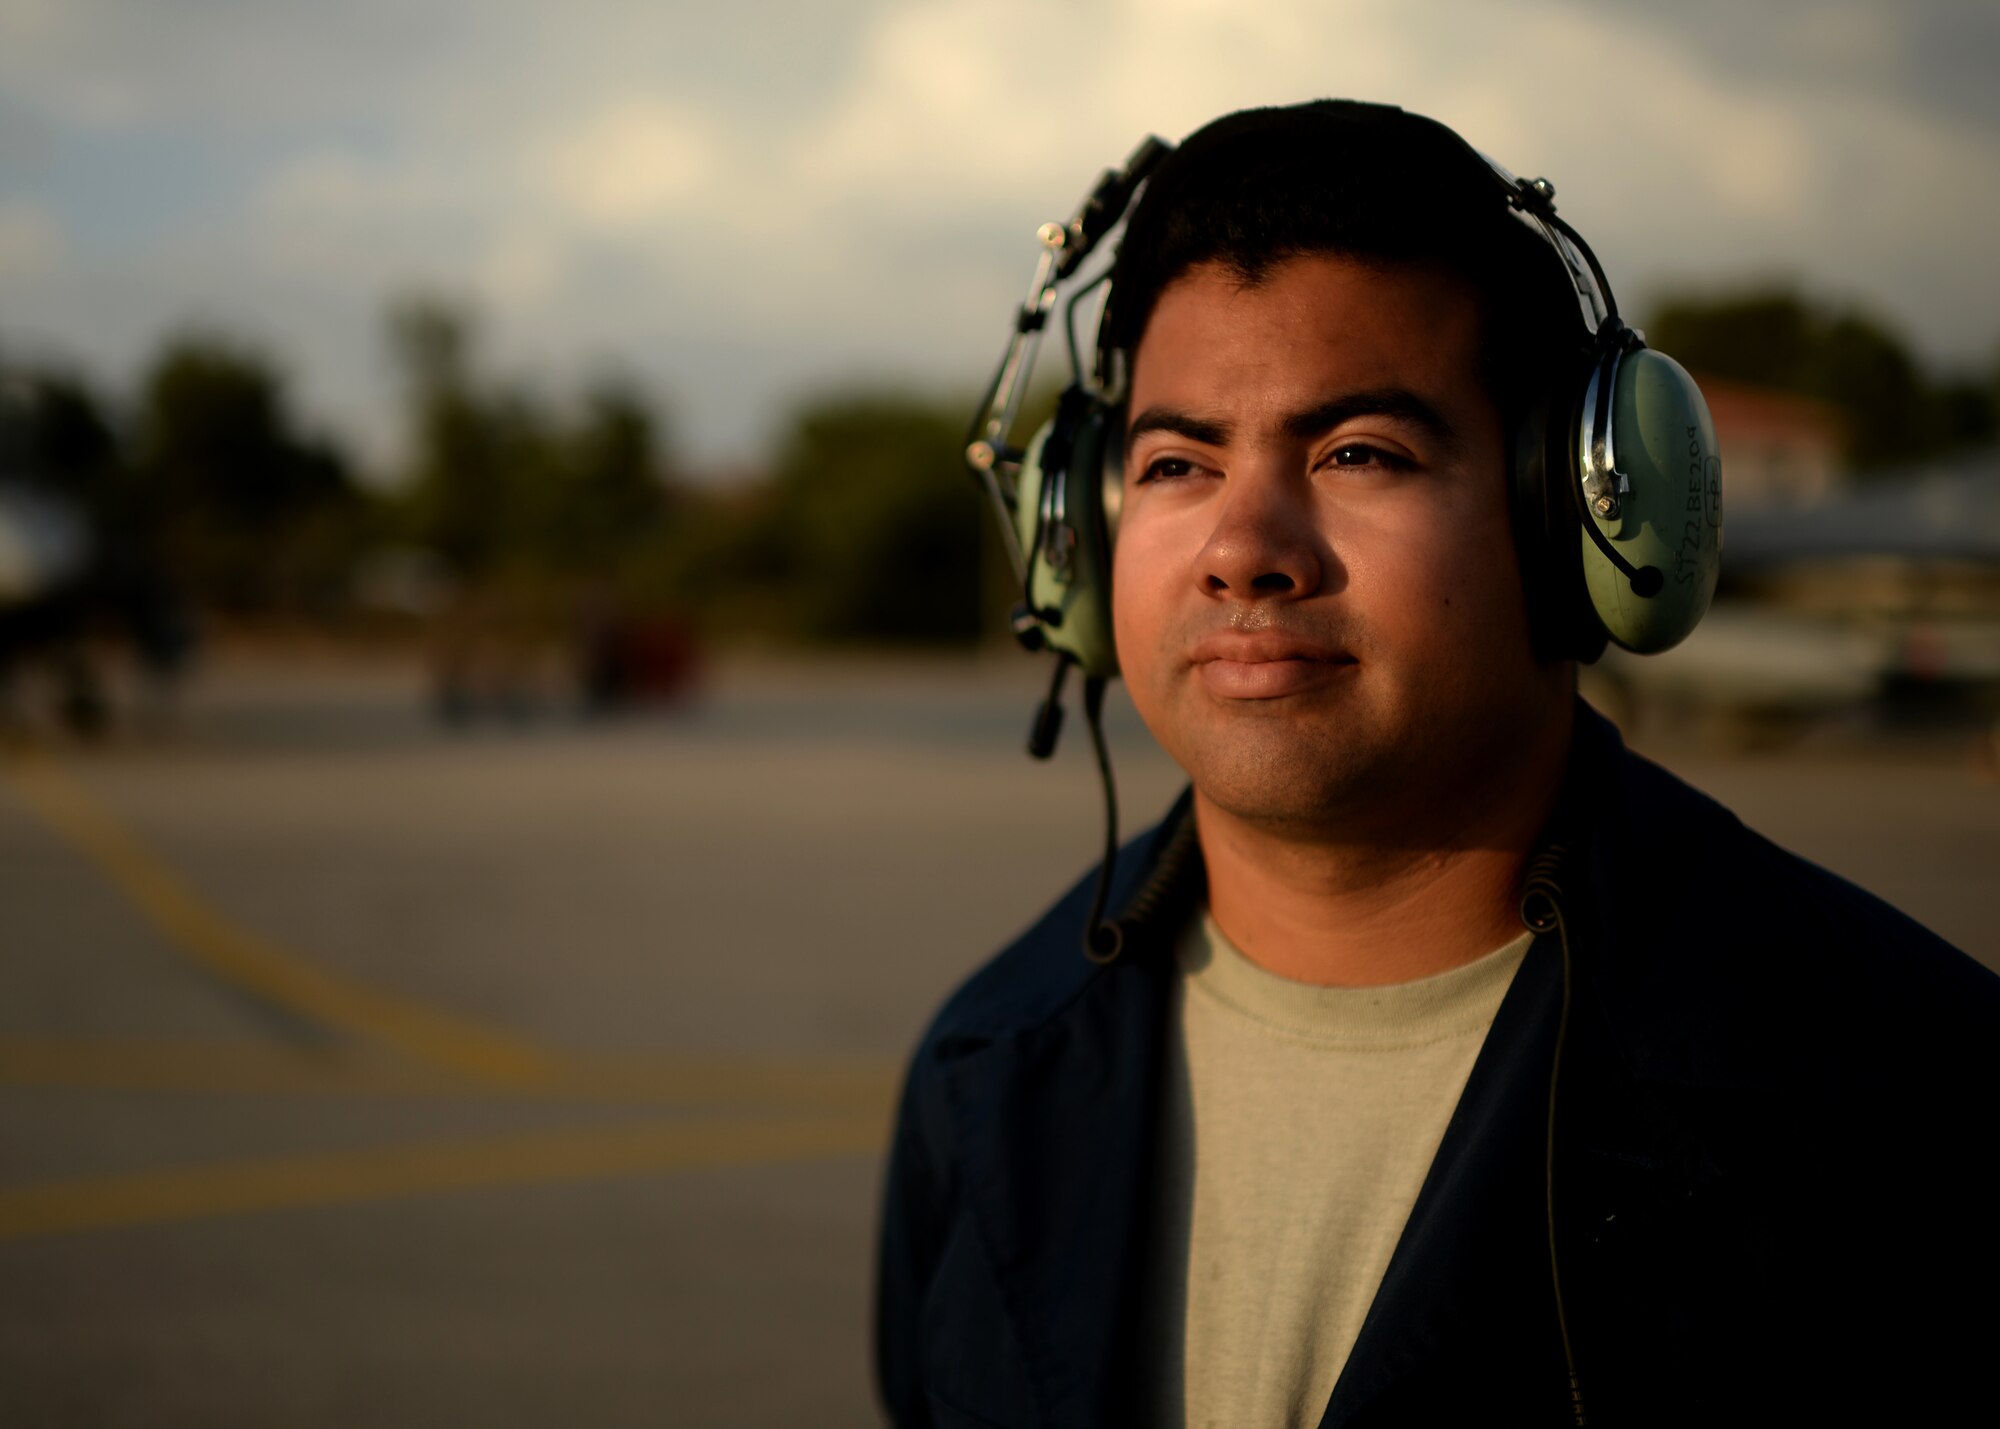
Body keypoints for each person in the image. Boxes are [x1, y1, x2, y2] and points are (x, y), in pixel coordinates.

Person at [875, 100, 2000, 1429]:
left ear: (1572, 515)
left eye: (1361, 453)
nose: (1245, 547)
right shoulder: (987, 1068)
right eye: (1177, 462)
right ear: (1087, 533)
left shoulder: (1913, 1100)